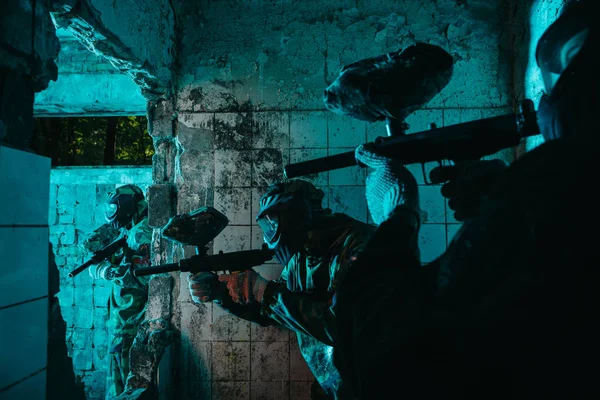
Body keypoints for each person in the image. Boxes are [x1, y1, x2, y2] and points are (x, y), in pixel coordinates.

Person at [334, 0, 600, 399]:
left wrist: (397, 213)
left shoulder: (567, 170)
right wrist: (505, 198)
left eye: (551, 90)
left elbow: (384, 352)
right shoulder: (564, 181)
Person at [188, 179, 376, 399]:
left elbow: (344, 327)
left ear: (302, 215)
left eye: (278, 220)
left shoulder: (361, 246)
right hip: (334, 383)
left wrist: (265, 292)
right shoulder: (301, 258)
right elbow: (276, 314)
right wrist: (222, 294)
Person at [82, 184, 153, 399]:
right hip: (121, 322)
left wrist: (114, 272)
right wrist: (106, 270)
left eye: (116, 206)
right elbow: (89, 248)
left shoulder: (141, 233)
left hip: (130, 322)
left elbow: (144, 276)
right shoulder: (128, 230)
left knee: (125, 387)